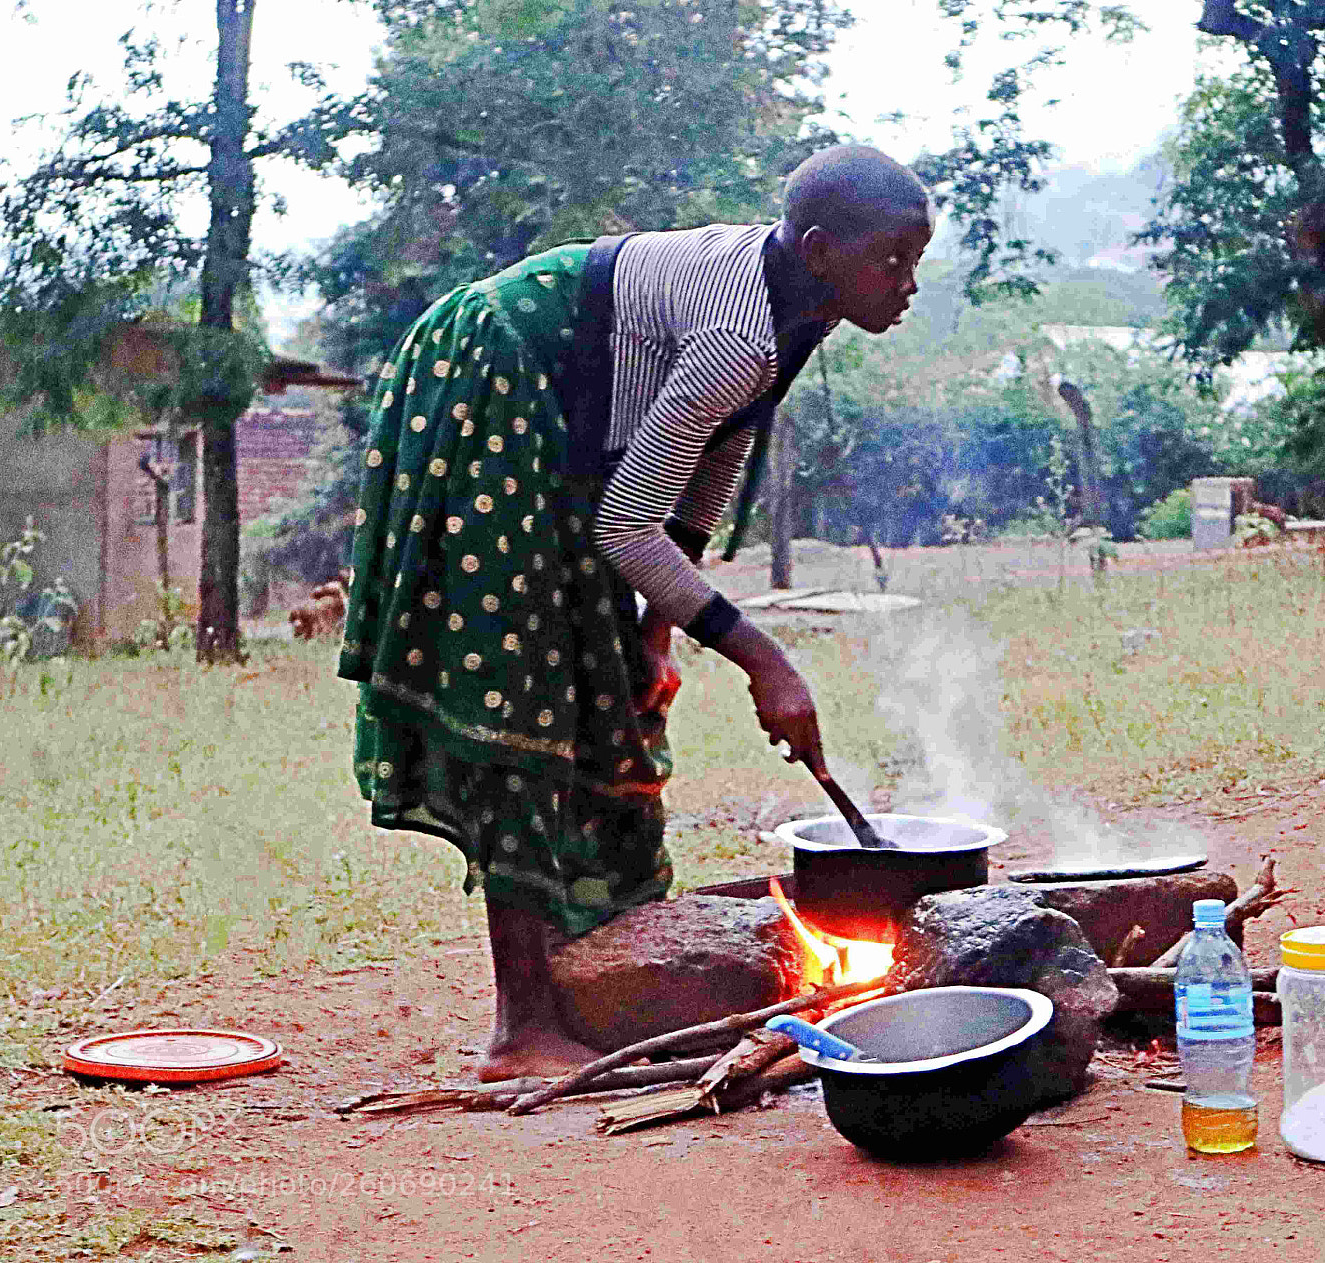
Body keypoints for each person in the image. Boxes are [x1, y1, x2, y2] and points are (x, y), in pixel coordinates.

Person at [338, 144, 933, 1080]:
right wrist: (764, 659)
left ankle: (600, 982)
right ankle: (521, 1028)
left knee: (617, 685)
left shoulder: (795, 307)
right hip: (498, 376)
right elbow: (626, 524)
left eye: (916, 261)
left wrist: (656, 634)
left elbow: (708, 466)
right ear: (821, 250)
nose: (907, 285)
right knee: (525, 692)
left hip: (565, 423)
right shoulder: (742, 330)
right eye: (892, 261)